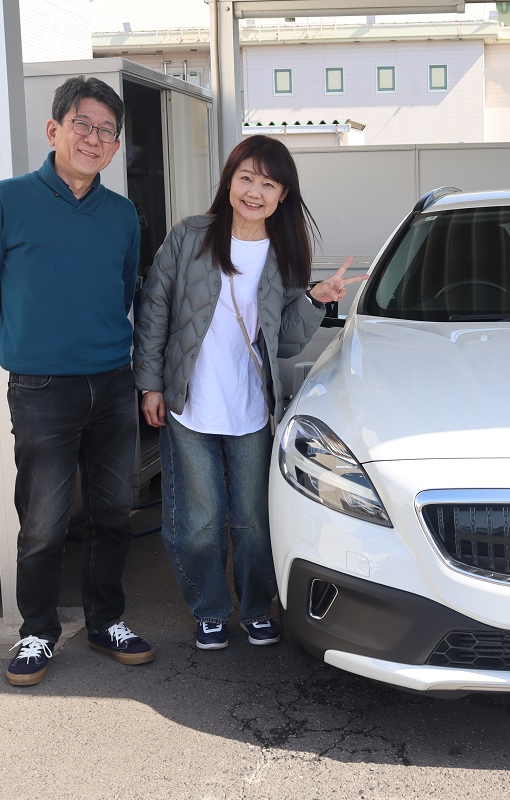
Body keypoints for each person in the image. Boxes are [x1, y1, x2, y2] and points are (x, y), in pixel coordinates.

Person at [133, 135, 365, 650]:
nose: (254, 192)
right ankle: (210, 610)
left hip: (253, 409)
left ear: (283, 195)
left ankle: (258, 608)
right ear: (229, 181)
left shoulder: (284, 253)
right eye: (246, 178)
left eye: (268, 183)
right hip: (189, 403)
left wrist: (316, 299)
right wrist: (149, 384)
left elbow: (285, 342)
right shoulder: (189, 236)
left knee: (255, 521)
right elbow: (154, 310)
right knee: (199, 520)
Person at [0, 76, 155, 686]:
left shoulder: (122, 215)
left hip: (113, 383)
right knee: (43, 521)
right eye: (83, 125)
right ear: (54, 129)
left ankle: (106, 621)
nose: (94, 139)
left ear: (115, 146)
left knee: (114, 511)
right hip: (42, 388)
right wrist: (23, 354)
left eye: (106, 131)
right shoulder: (4, 201)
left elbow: (122, 292)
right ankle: (38, 631)